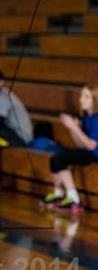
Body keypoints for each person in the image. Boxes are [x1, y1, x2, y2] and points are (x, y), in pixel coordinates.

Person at [44, 83, 98, 211]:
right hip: (90, 152)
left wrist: (74, 127)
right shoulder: (86, 117)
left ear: (95, 100)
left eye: (86, 97)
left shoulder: (97, 118)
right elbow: (81, 144)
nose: (81, 100)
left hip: (95, 154)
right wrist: (72, 128)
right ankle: (58, 194)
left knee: (60, 159)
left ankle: (74, 199)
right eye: (81, 96)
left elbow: (91, 146)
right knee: (54, 160)